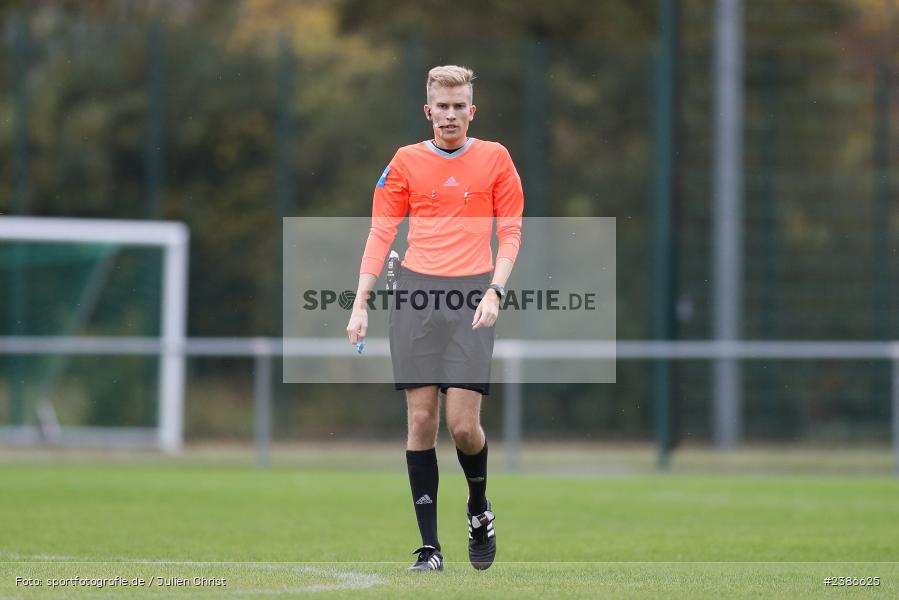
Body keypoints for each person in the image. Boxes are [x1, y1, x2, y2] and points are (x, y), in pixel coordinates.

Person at [346, 65, 523, 572]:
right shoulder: (404, 162)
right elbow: (381, 233)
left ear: (472, 109)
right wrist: (360, 303)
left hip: (473, 295)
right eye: (441, 106)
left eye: (459, 105)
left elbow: (510, 230)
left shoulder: (496, 159)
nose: (450, 114)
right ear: (429, 111)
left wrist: (495, 290)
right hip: (416, 293)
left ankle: (478, 507)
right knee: (421, 420)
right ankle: (429, 548)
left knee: (463, 427)